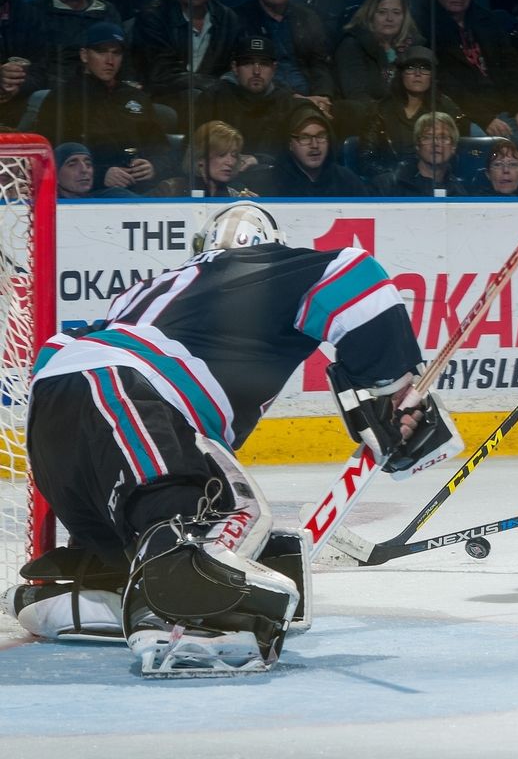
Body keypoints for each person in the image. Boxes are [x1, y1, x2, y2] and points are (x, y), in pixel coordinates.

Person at [0, 200, 455, 676]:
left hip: (54, 417)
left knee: (141, 530)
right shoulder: (266, 266)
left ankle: (88, 583)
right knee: (229, 515)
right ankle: (191, 609)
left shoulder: (147, 291)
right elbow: (354, 274)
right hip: (129, 396)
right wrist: (393, 387)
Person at [33, 22, 171, 196]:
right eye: (101, 52)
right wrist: (100, 175)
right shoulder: (63, 98)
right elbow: (50, 155)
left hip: (140, 188)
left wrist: (153, 166)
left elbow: (162, 149)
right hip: (89, 192)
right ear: (84, 55)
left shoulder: (135, 97)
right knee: (121, 196)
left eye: (116, 53)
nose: (110, 61)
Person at [424, 0, 518, 144]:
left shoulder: (489, 21)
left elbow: (512, 66)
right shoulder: (429, 29)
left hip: (503, 109)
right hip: (467, 115)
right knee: (495, 145)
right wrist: (484, 117)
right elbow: (446, 85)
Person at [130, 0, 243, 119]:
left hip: (215, 104)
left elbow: (236, 67)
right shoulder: (154, 16)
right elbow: (161, 74)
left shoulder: (228, 20)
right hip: (164, 99)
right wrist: (213, 87)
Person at [235, 0, 336, 113]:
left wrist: (323, 97)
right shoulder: (239, 19)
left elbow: (319, 64)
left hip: (312, 101)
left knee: (352, 111)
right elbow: (247, 75)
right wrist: (296, 100)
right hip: (267, 103)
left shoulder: (307, 18)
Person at [194, 35, 298, 167]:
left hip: (271, 177)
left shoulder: (285, 101)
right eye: (248, 63)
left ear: (274, 69)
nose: (256, 71)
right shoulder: (212, 98)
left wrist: (260, 160)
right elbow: (194, 151)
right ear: (234, 67)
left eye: (264, 64)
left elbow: (294, 151)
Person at [29, 0, 121, 89]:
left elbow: (123, 56)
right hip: (56, 92)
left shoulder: (107, 11)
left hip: (103, 89)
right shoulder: (36, 13)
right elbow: (38, 67)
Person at [250, 103, 370, 196]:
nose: (314, 145)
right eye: (304, 137)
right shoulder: (269, 183)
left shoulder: (347, 181)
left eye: (321, 136)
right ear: (290, 144)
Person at [333, 0, 423, 105]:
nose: (390, 18)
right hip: (368, 113)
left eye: (396, 13)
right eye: (382, 12)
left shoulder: (413, 47)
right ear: (370, 16)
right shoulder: (352, 45)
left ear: (404, 18)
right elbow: (356, 95)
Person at [150, 120, 258, 197]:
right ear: (200, 158)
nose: (230, 162)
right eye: (221, 155)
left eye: (234, 155)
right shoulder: (170, 190)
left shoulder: (235, 196)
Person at [371, 110, 467, 197]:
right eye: (428, 137)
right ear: (417, 145)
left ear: (453, 147)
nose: (436, 143)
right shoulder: (386, 185)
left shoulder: (459, 192)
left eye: (443, 138)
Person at [0, 0, 41, 128]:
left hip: (18, 102)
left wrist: (17, 87)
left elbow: (42, 69)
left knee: (43, 97)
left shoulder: (29, 16)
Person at [54, 142, 138, 199]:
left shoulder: (114, 196)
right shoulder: (44, 208)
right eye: (72, 165)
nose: (84, 169)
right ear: (55, 176)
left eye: (88, 164)